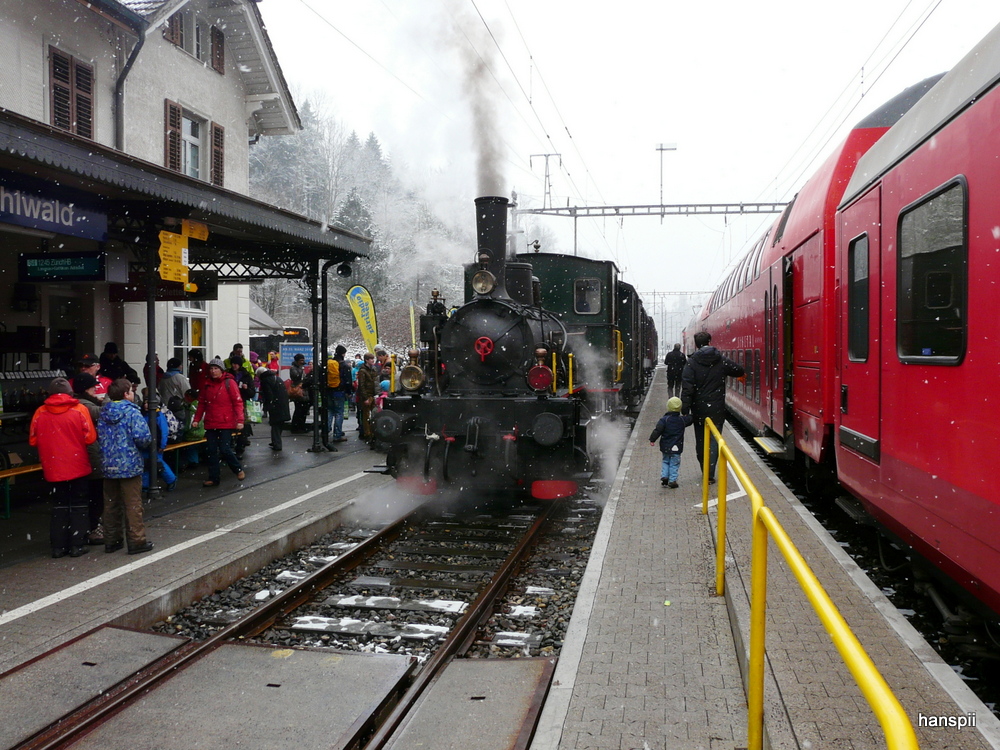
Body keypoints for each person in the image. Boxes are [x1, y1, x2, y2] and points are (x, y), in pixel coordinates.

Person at [29, 377, 97, 558]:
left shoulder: (40, 412)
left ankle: (58, 547)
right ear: (69, 392)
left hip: (53, 468)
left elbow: (33, 440)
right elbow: (90, 438)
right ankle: (77, 544)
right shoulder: (80, 410)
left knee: (59, 506)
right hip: (78, 466)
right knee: (79, 505)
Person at [97, 378, 154, 555]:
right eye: (131, 391)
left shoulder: (103, 413)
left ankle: (112, 540)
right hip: (129, 464)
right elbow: (143, 438)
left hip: (108, 465)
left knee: (111, 504)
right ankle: (136, 541)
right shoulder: (132, 413)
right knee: (133, 504)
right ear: (125, 394)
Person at [680, 331, 745, 484]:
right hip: (716, 408)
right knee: (715, 440)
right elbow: (739, 370)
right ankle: (710, 473)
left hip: (699, 409)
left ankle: (705, 469)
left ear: (696, 344)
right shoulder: (720, 360)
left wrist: (685, 409)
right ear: (710, 341)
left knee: (701, 441)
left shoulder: (691, 363)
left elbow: (687, 388)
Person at [192, 358, 245, 487]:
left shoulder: (229, 383)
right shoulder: (207, 384)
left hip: (225, 422)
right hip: (211, 422)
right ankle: (213, 477)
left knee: (225, 448)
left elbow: (237, 402)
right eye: (211, 368)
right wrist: (196, 419)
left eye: (216, 368)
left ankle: (238, 469)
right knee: (211, 451)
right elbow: (202, 404)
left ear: (221, 370)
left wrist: (240, 420)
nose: (213, 371)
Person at [71, 371, 105, 544]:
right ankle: (93, 528)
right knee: (95, 495)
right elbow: (101, 413)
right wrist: (108, 399)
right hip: (90, 456)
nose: (96, 389)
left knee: (81, 496)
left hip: (77, 458)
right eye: (93, 386)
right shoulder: (84, 406)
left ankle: (80, 531)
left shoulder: (77, 404)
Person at [649, 396, 694, 488]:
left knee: (665, 461)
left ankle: (665, 476)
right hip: (677, 446)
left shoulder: (664, 420)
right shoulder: (681, 420)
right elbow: (690, 419)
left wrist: (652, 439)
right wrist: (691, 414)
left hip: (665, 446)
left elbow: (657, 430)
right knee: (674, 463)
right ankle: (672, 480)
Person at [228, 355, 256, 457]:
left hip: (242, 403)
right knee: (229, 426)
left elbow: (252, 393)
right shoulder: (228, 374)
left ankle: (240, 448)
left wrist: (246, 388)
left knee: (241, 426)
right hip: (229, 403)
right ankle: (230, 447)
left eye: (236, 364)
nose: (234, 366)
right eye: (233, 364)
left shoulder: (246, 376)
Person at [257, 366, 290, 451]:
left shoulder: (265, 381)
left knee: (275, 424)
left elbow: (268, 395)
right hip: (283, 403)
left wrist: (267, 406)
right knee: (279, 424)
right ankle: (275, 441)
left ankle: (277, 444)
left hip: (275, 405)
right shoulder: (277, 378)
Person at [326, 344, 353, 444]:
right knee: (339, 413)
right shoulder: (344, 365)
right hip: (339, 391)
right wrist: (349, 392)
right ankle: (337, 435)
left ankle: (326, 431)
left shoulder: (329, 363)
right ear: (343, 353)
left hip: (329, 390)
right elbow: (348, 380)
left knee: (330, 411)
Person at [356, 352, 378, 446]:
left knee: (372, 415)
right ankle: (367, 434)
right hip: (367, 395)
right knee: (366, 416)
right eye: (371, 359)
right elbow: (361, 385)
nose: (373, 360)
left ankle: (371, 433)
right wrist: (365, 398)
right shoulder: (363, 371)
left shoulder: (373, 369)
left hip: (373, 394)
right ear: (366, 360)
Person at [288, 353, 310, 433]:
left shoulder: (300, 368)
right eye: (301, 360)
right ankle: (296, 427)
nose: (302, 362)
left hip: (302, 390)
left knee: (302, 410)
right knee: (299, 410)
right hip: (298, 390)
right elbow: (296, 376)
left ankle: (300, 426)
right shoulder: (293, 368)